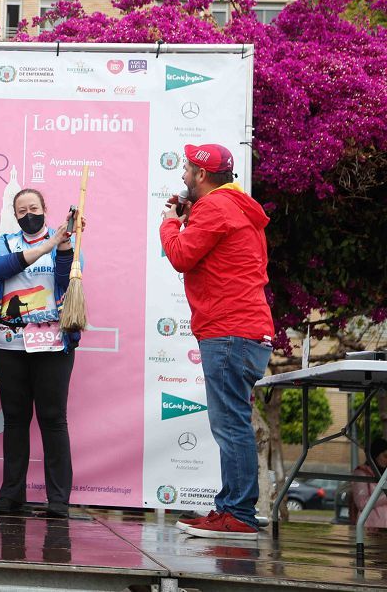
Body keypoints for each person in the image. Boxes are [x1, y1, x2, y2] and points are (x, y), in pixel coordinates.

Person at [161, 143, 274, 540]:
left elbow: (180, 256)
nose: (183, 175)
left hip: (229, 332)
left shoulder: (215, 208)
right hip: (244, 331)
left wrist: (170, 222)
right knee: (232, 423)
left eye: (188, 169)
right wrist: (190, 218)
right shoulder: (236, 207)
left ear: (202, 176)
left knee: (230, 426)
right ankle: (232, 508)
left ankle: (238, 515)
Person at [0, 188, 82, 517]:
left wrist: (65, 242)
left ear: (45, 208)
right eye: (22, 210)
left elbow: (67, 280)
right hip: (9, 342)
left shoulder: (62, 242)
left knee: (53, 419)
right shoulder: (6, 241)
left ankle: (58, 500)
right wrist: (48, 245)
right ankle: (12, 494)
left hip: (53, 342)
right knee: (14, 420)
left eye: (34, 208)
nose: (29, 214)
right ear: (15, 215)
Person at [350, 437, 387, 529]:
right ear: (375, 455)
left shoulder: (385, 473)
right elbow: (361, 503)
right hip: (371, 528)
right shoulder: (362, 473)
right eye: (385, 456)